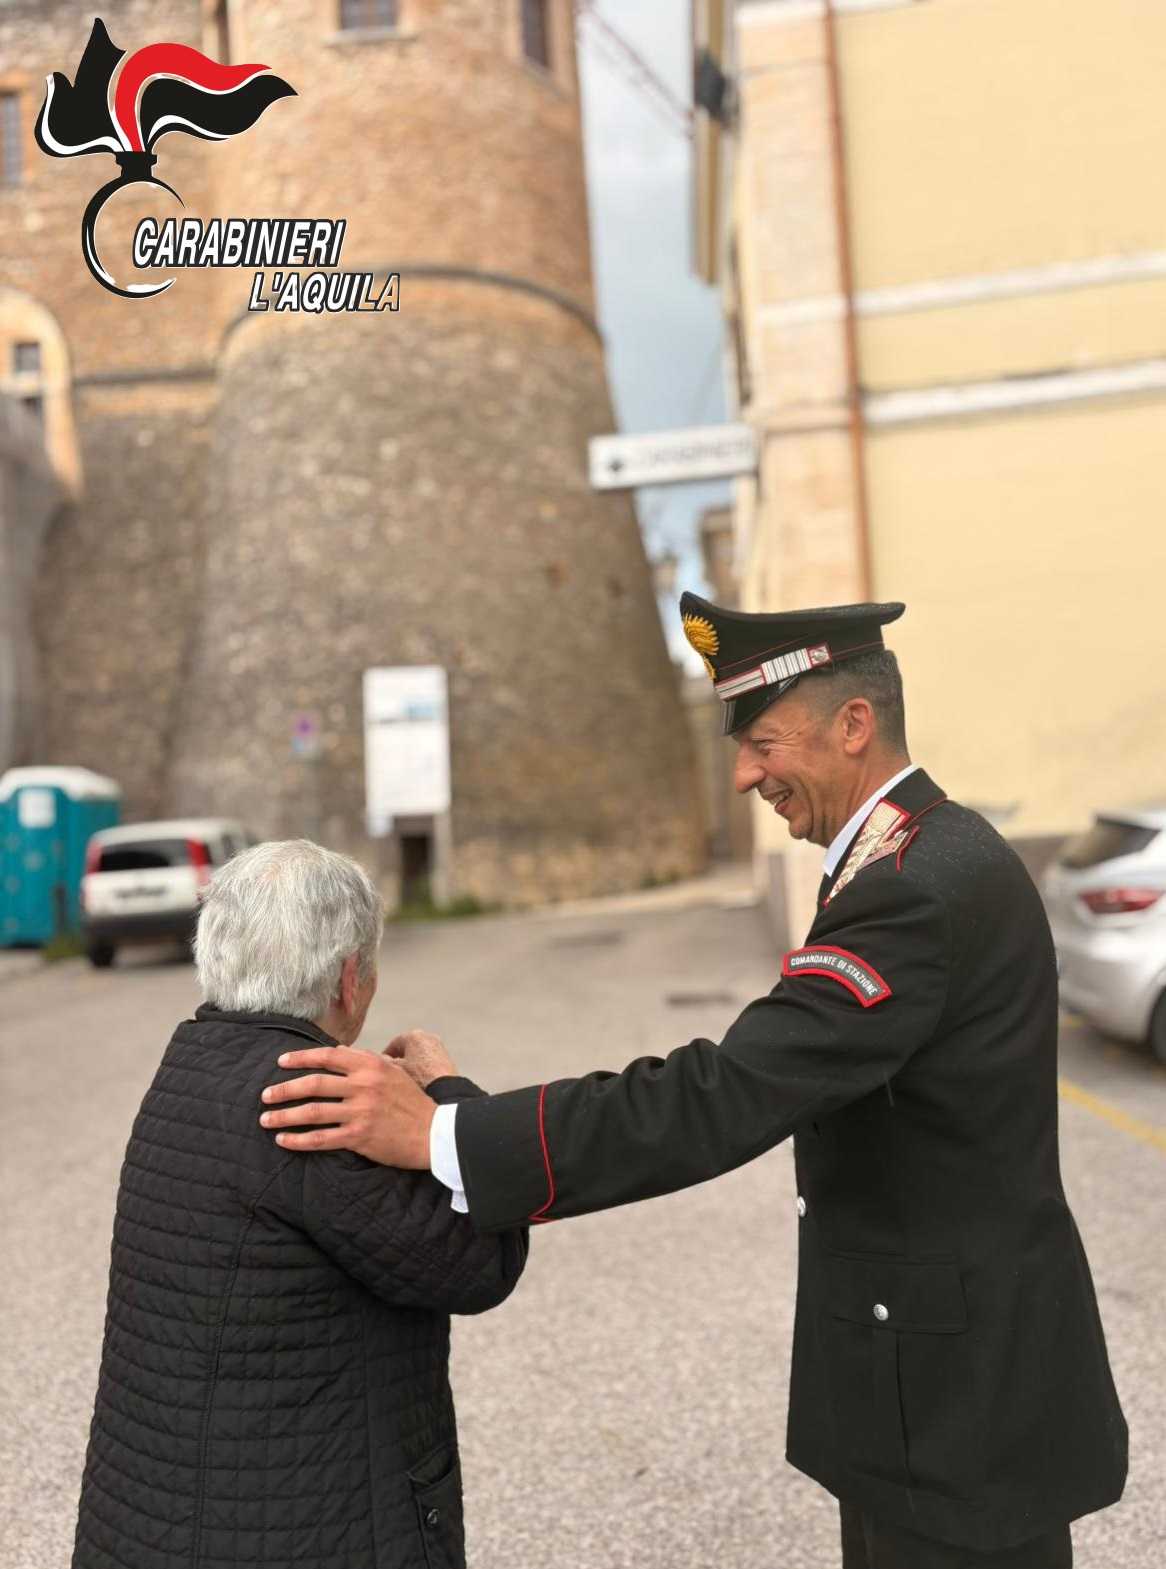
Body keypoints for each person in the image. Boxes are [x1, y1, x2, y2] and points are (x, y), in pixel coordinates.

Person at [258, 597, 1128, 1569]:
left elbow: (721, 1095)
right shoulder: (917, 851)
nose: (745, 774)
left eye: (763, 743)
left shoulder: (910, 886)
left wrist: (440, 1135)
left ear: (853, 724)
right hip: (941, 1373)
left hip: (958, 1400)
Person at [72, 839, 527, 1569]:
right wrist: (447, 1098)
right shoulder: (314, 1103)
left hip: (146, 1523)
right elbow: (480, 1261)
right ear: (349, 979)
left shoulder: (191, 1063)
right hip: (299, 1534)